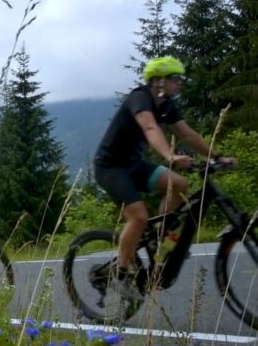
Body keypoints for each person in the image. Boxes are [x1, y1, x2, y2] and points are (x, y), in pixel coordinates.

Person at [94, 56, 236, 300]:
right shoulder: (139, 98)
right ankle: (120, 273)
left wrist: (217, 156)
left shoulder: (167, 105)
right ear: (158, 81)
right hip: (111, 168)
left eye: (181, 78)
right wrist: (170, 155)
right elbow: (150, 127)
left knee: (179, 184)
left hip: (134, 165)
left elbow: (187, 134)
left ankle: (157, 238)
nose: (180, 83)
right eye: (175, 78)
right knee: (139, 217)